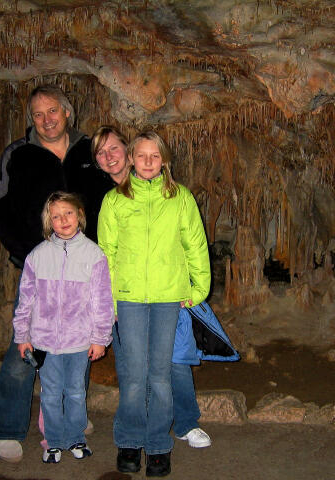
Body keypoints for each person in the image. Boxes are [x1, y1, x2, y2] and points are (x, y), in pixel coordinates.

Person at [0, 85, 107, 462]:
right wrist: (28, 258)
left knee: (78, 345)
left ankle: (71, 421)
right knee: (24, 348)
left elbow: (113, 200)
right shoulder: (18, 155)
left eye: (53, 111)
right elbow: (2, 211)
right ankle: (9, 427)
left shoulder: (89, 151)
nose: (46, 120)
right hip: (39, 270)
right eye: (38, 114)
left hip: (83, 270)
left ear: (67, 113)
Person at [97, 131, 211, 477]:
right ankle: (130, 441)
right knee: (132, 376)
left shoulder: (181, 198)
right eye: (141, 156)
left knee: (160, 375)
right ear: (131, 158)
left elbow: (195, 243)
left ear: (165, 160)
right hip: (128, 298)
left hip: (166, 297)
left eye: (155, 156)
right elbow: (106, 253)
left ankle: (159, 446)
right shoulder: (115, 200)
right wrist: (108, 299)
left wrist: (198, 287)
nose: (148, 162)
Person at [12, 192, 114, 464]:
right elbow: (26, 299)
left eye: (68, 213)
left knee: (77, 391)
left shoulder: (94, 255)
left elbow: (102, 301)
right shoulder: (38, 255)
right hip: (45, 341)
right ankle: (54, 441)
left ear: (79, 215)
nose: (63, 220)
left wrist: (100, 338)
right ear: (49, 222)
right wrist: (22, 335)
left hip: (79, 341)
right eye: (55, 216)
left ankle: (76, 437)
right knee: (51, 392)